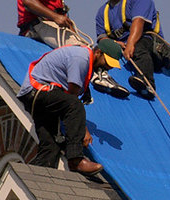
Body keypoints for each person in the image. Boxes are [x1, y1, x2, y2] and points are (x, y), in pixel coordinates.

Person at [16, 40, 123, 175]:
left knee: (51, 145)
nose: (108, 67)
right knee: (74, 104)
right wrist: (83, 130)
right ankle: (76, 160)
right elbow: (72, 96)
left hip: (39, 96)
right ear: (98, 52)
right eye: (107, 62)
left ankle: (38, 176)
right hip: (38, 90)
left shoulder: (86, 61)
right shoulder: (81, 58)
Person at [95, 0, 170, 97]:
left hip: (150, 44)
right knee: (96, 52)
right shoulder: (102, 12)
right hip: (122, 49)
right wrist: (114, 44)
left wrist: (130, 44)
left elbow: (138, 22)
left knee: (139, 46)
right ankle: (102, 80)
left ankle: (147, 83)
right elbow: (102, 39)